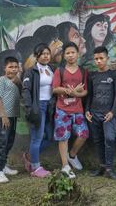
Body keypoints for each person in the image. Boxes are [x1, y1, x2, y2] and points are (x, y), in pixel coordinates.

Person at [52, 42, 89, 178]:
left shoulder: (83, 71)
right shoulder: (59, 70)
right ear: (64, 56)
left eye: (73, 52)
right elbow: (55, 89)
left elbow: (85, 91)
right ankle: (65, 166)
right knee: (63, 137)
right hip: (62, 109)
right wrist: (68, 90)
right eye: (67, 53)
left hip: (78, 109)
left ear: (77, 54)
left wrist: (76, 94)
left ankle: (72, 155)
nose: (70, 55)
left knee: (83, 134)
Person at [85, 46, 116, 180]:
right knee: (97, 140)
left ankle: (110, 168)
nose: (98, 61)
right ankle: (101, 166)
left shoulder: (113, 75)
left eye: (101, 58)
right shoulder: (92, 76)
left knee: (110, 139)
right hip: (94, 114)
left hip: (108, 115)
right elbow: (89, 95)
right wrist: (87, 110)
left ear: (107, 58)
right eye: (96, 59)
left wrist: (112, 112)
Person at [22, 43, 55, 178]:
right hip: (38, 106)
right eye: (43, 54)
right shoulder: (31, 71)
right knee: (37, 137)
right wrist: (30, 108)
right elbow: (26, 91)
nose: (46, 56)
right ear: (37, 56)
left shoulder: (52, 69)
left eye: (48, 53)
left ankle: (29, 156)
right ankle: (35, 168)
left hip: (50, 106)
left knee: (51, 136)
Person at [0, 56, 21, 183]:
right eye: (10, 67)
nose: (13, 70)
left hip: (13, 117)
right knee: (2, 144)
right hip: (3, 117)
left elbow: (21, 91)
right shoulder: (1, 80)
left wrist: (18, 81)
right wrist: (3, 116)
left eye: (16, 67)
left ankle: (3, 166)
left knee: (9, 142)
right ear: (5, 68)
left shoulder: (16, 81)